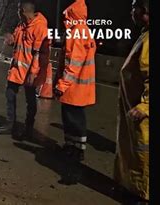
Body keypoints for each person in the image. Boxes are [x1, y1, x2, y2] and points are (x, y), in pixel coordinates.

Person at [0, 0, 48, 140]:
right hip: (17, 70)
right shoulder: (22, 25)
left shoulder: (39, 26)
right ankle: (10, 124)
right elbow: (17, 43)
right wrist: (11, 39)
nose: (17, 12)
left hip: (30, 71)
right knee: (10, 94)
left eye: (18, 10)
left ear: (23, 11)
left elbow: (38, 53)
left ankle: (28, 128)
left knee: (30, 100)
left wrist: (33, 73)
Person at [114, 0, 149, 202]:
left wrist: (146, 105)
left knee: (143, 156)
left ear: (145, 10)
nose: (131, 11)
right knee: (134, 154)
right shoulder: (145, 34)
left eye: (134, 6)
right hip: (133, 107)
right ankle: (132, 188)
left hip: (141, 111)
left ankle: (142, 195)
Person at [54, 0, 96, 162]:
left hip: (74, 87)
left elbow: (73, 64)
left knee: (73, 118)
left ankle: (76, 150)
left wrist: (62, 85)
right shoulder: (84, 30)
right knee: (72, 116)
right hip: (79, 86)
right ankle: (72, 146)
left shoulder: (76, 32)